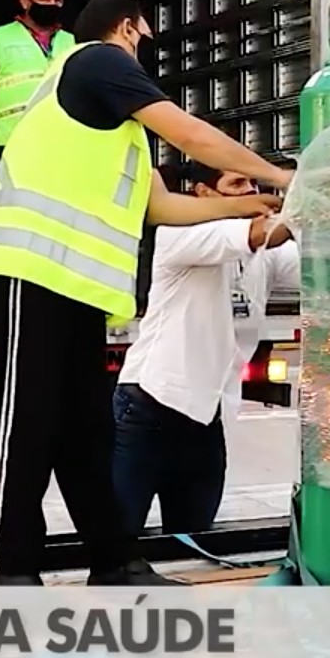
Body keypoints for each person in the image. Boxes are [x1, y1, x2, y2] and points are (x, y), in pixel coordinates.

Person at [0, 0, 295, 587]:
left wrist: (255, 206)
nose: (143, 50)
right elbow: (192, 135)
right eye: (143, 37)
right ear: (127, 27)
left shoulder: (115, 128)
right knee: (31, 421)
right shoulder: (96, 60)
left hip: (75, 289)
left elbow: (162, 208)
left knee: (86, 429)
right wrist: (281, 174)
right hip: (26, 271)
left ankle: (113, 560)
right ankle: (13, 567)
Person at [113, 162, 299, 536]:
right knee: (117, 541)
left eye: (252, 183)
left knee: (192, 541)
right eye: (237, 181)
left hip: (206, 418)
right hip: (149, 409)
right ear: (203, 194)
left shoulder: (263, 254)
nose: (249, 191)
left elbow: (313, 266)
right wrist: (304, 201)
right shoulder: (179, 235)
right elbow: (259, 233)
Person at [0, 0, 77, 175]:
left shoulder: (72, 41)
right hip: (12, 143)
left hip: (62, 144)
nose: (52, 5)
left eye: (58, 1)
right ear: (25, 2)